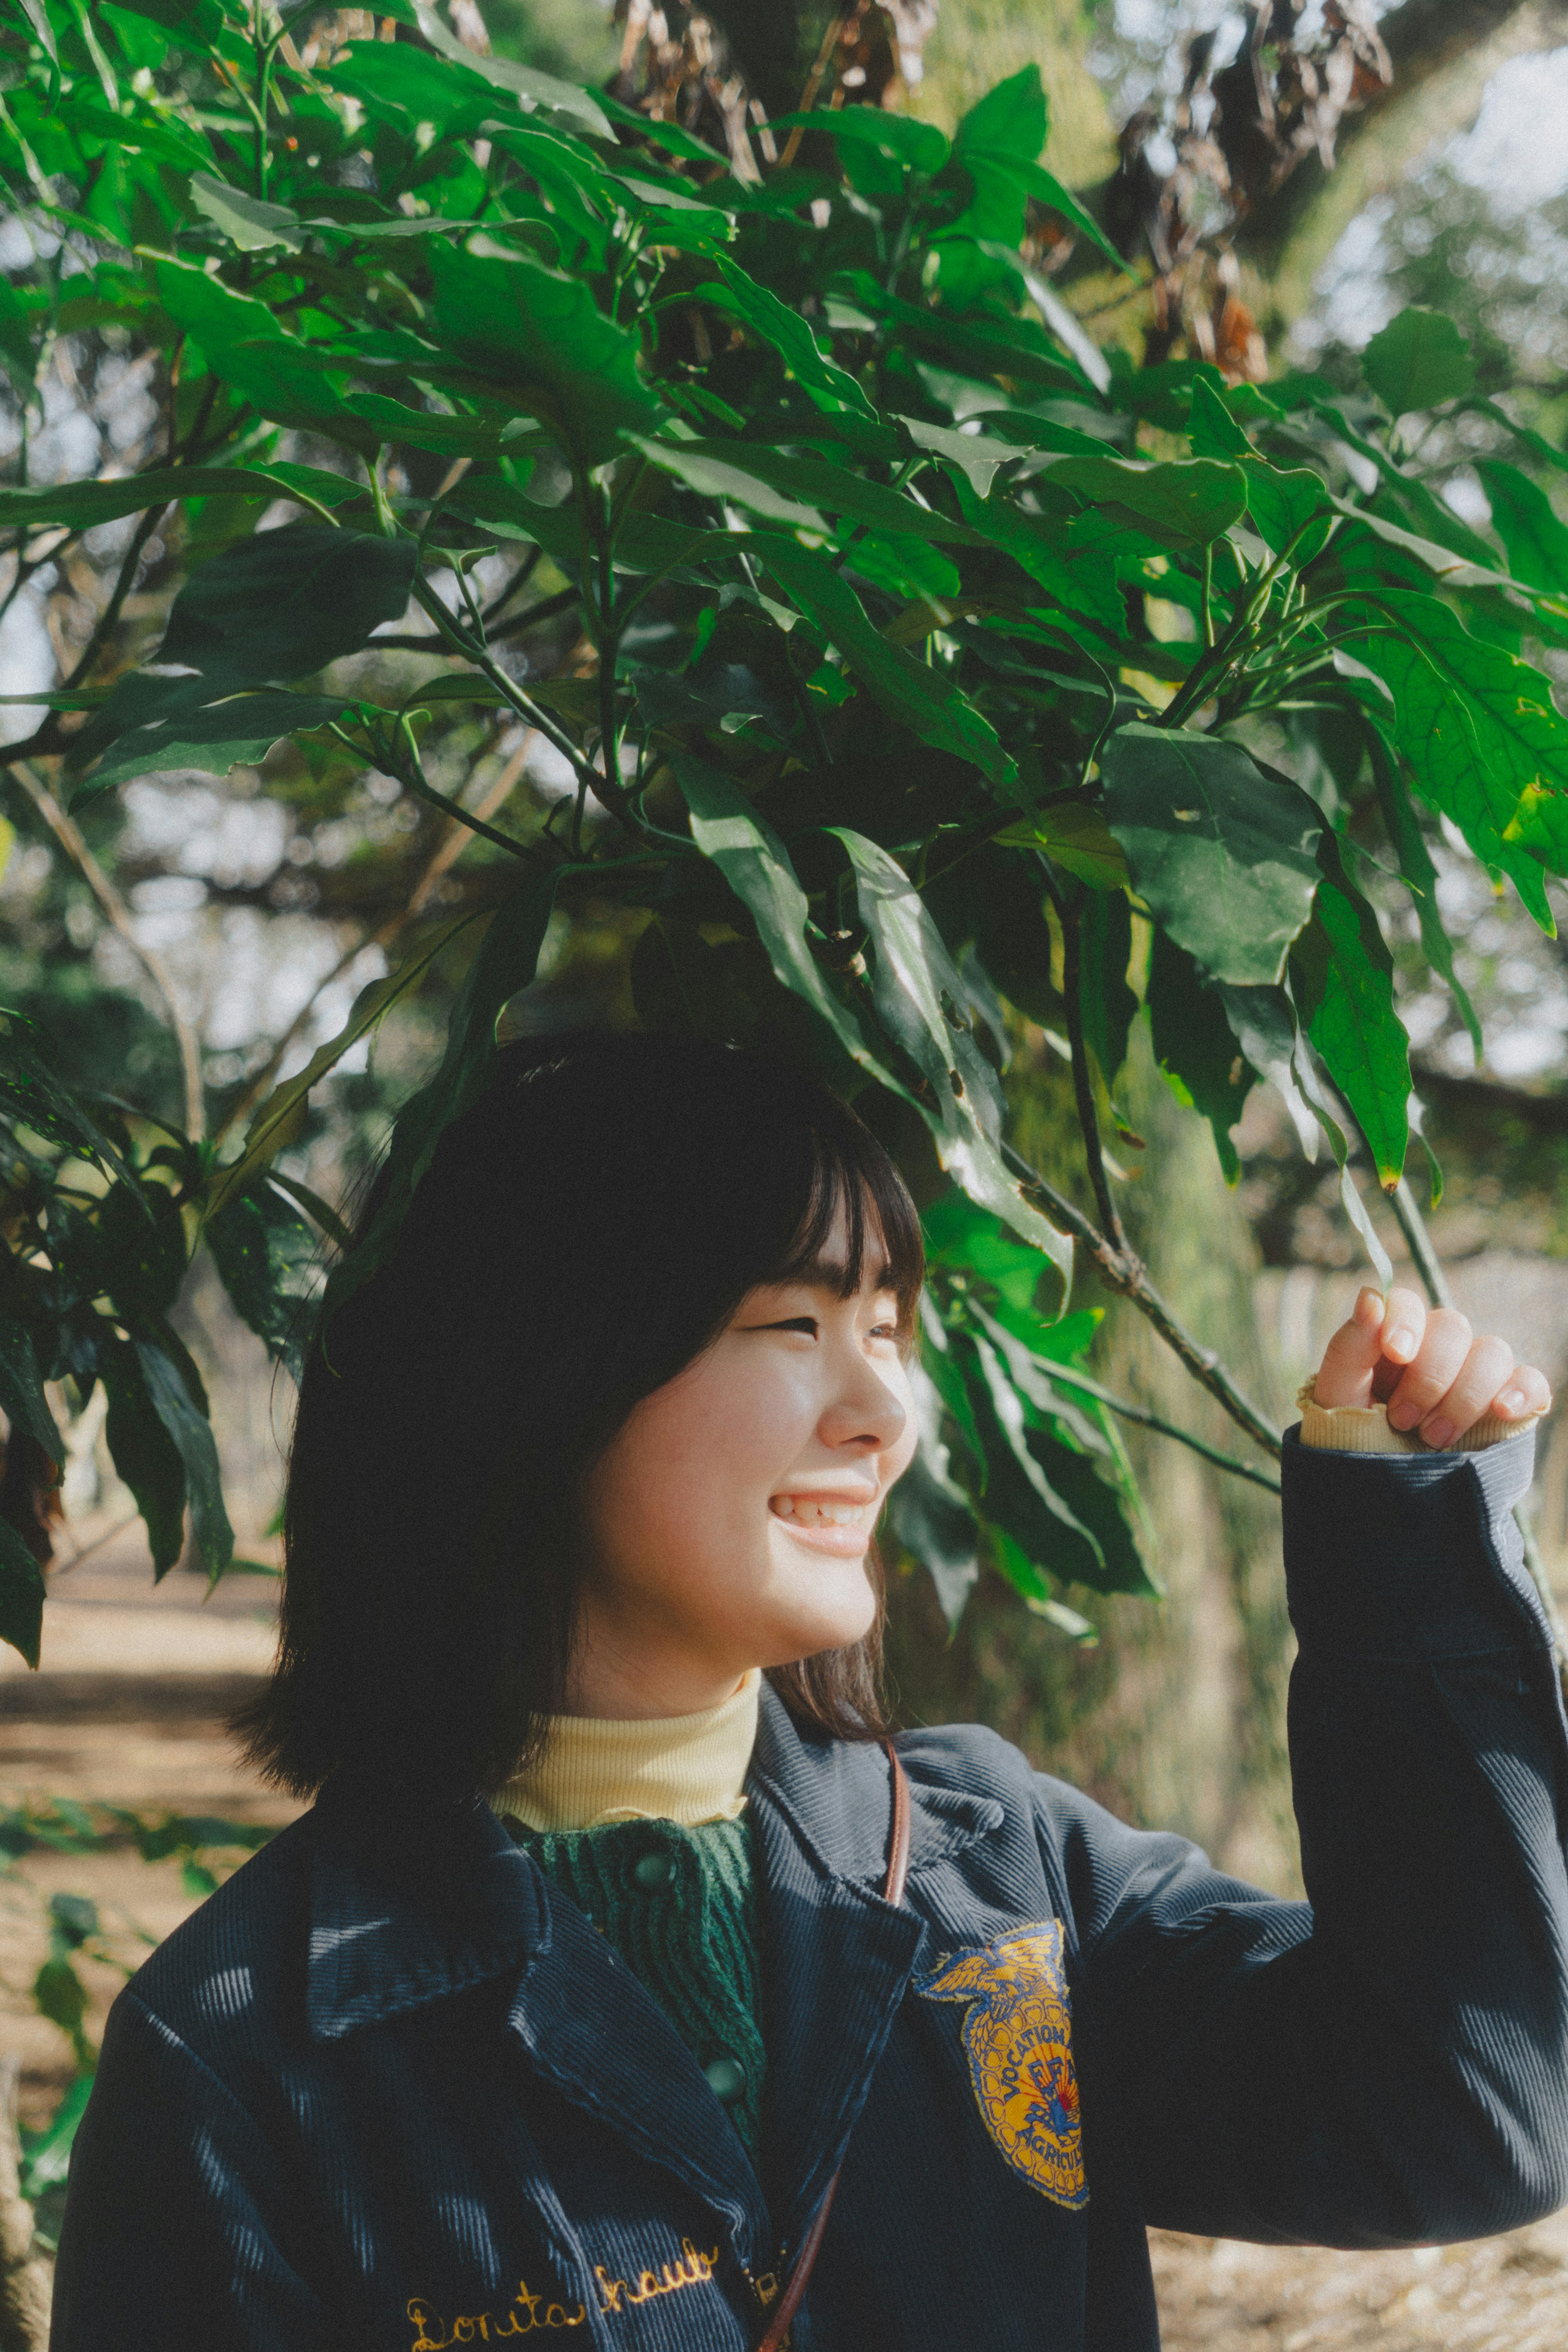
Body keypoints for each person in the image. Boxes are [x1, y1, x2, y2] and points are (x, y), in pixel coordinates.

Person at [51, 1031, 1568, 2352]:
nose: (885, 1413)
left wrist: (1406, 1537)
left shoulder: (1001, 1875)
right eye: (797, 1326)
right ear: (532, 1369)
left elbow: (1466, 2108)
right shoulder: (254, 2049)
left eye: (891, 1332)